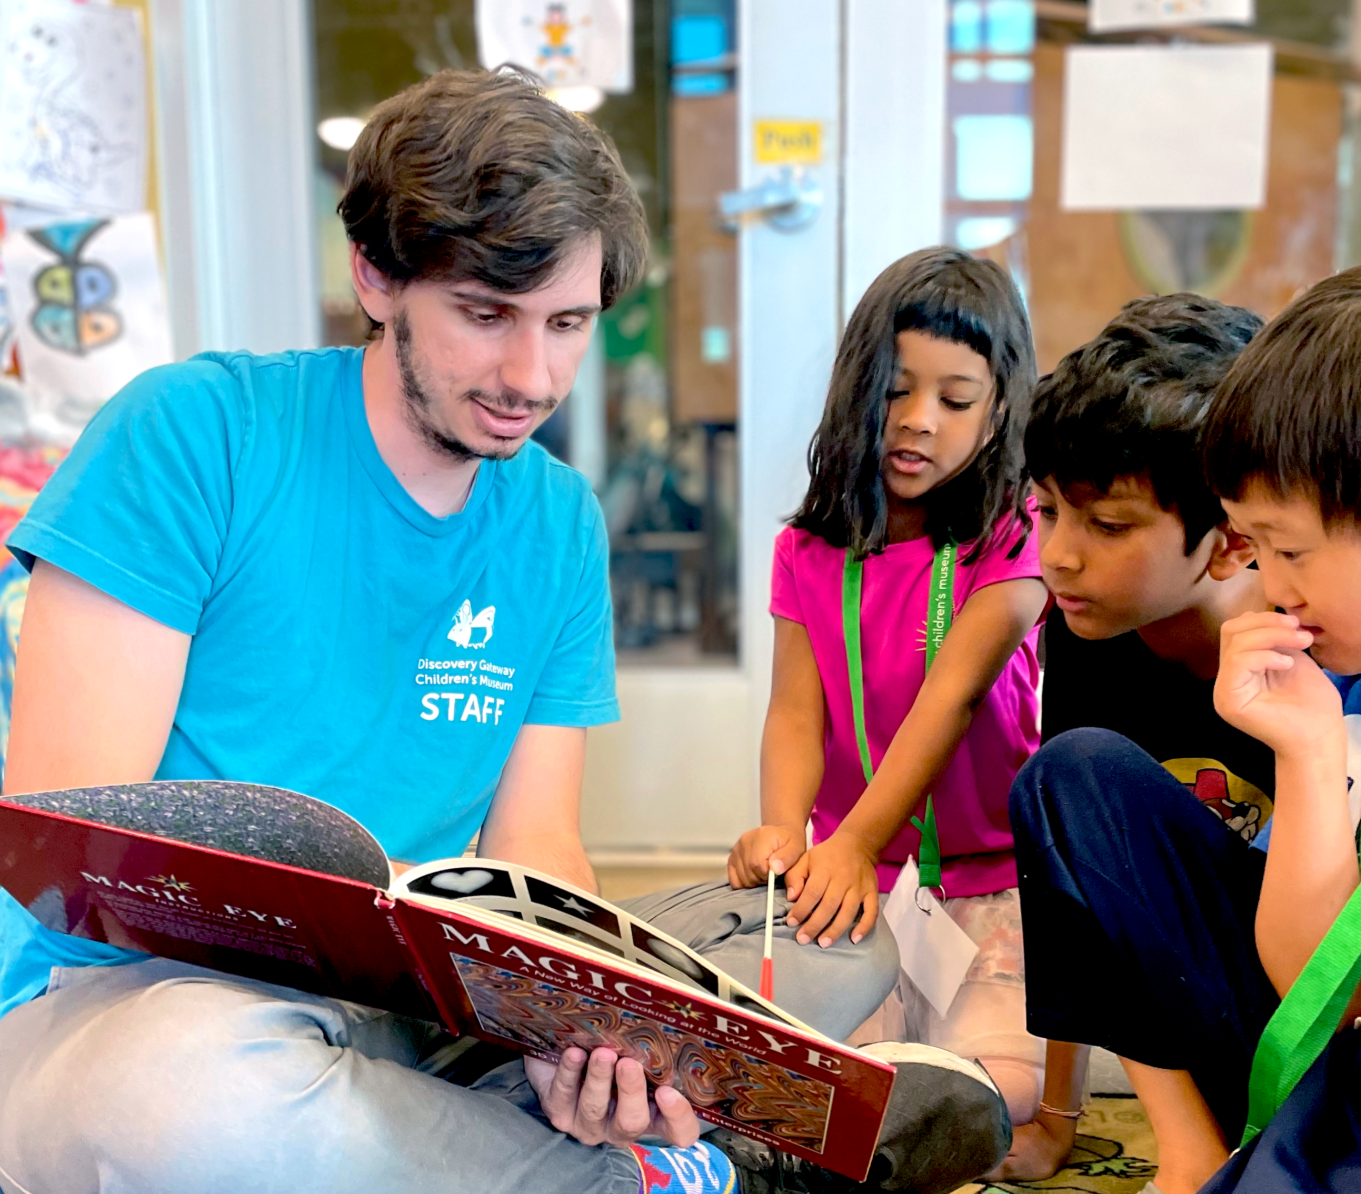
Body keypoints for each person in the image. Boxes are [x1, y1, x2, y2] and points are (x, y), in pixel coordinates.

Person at [0, 70, 1008, 1194]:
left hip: (420, 1011)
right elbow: (67, 859)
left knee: (826, 944)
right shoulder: (193, 433)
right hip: (131, 1011)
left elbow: (536, 852)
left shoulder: (555, 518)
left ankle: (541, 1126)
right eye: (486, 316)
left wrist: (584, 1031)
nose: (532, 377)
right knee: (194, 1108)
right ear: (377, 277)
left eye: (567, 323)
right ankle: (704, 1174)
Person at [1022, 264, 1361, 1194]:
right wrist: (1303, 753)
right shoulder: (1358, 686)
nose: (1270, 584)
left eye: (1290, 550)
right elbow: (1319, 993)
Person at [725, 246, 1050, 1179]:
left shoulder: (1017, 537)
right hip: (852, 881)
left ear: (1000, 411)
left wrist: (860, 839)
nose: (916, 423)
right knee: (833, 1081)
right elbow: (795, 713)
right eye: (895, 391)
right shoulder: (806, 545)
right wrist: (787, 836)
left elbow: (950, 705)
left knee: (995, 1089)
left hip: (987, 884)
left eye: (955, 400)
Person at [1004, 295, 1273, 1183]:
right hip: (1209, 1034)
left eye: (1107, 525)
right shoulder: (1090, 629)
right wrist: (1055, 1119)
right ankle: (1190, 1148)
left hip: (1323, 1019)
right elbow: (1074, 887)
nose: (1060, 555)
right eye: (1047, 514)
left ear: (1231, 541)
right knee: (1062, 777)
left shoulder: (1313, 642)